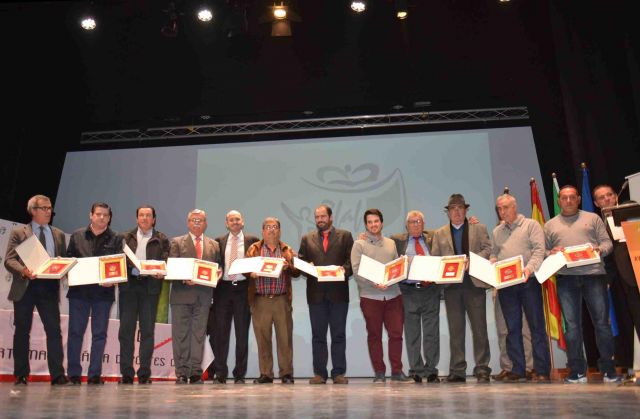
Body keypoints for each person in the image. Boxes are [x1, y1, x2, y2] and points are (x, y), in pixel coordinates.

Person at [544, 185, 619, 383]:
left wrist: (599, 249)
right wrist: (549, 253)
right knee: (572, 326)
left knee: (602, 324)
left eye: (572, 198)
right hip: (566, 279)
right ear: (559, 201)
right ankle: (577, 370)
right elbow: (542, 251)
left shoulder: (592, 218)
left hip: (594, 275)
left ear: (578, 199)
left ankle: (608, 370)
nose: (568, 201)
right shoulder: (550, 225)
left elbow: (608, 244)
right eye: (564, 198)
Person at [4, 194, 69, 385]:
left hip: (48, 288)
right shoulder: (19, 232)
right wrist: (24, 271)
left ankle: (57, 375)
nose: (49, 212)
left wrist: (62, 266)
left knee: (54, 331)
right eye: (44, 208)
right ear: (33, 210)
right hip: (26, 286)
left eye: (50, 209)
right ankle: (21, 374)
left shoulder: (57, 234)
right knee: (22, 330)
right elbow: (9, 259)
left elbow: (62, 259)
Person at [430, 194, 492, 383]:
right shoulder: (439, 233)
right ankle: (457, 370)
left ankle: (482, 369)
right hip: (452, 288)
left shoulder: (478, 228)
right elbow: (435, 258)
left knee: (480, 329)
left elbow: (488, 249)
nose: (456, 212)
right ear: (448, 212)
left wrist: (471, 260)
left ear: (466, 210)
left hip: (474, 284)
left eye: (460, 208)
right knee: (456, 331)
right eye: (453, 208)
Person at [491, 194, 550, 382]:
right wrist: (492, 261)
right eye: (499, 209)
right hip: (507, 285)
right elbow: (495, 253)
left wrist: (529, 269)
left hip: (528, 282)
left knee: (536, 327)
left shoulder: (531, 225)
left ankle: (541, 370)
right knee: (512, 328)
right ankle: (518, 369)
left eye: (506, 207)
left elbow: (539, 251)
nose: (502, 212)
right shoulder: (497, 231)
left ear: (514, 207)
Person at [351, 208, 412, 383]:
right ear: (366, 225)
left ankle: (397, 371)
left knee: (396, 334)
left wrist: (397, 273)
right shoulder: (359, 245)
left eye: (376, 221)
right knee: (374, 335)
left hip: (393, 295)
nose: (373, 225)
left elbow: (395, 267)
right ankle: (379, 372)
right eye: (369, 222)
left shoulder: (391, 243)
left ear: (382, 223)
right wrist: (374, 284)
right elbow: (356, 271)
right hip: (370, 297)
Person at [298, 205, 353, 384]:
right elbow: (301, 263)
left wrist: (341, 271)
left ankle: (338, 373)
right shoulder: (307, 239)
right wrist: (309, 269)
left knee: (338, 335)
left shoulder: (345, 236)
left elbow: (351, 263)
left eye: (323, 216)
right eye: (317, 217)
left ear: (331, 217)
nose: (320, 219)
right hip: (316, 296)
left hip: (339, 295)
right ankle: (320, 374)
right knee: (318, 336)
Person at [66, 202, 120, 385]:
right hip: (78, 293)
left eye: (106, 215)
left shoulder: (116, 238)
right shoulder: (77, 235)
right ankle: (73, 373)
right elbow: (68, 261)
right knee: (75, 332)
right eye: (98, 214)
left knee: (99, 335)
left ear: (110, 217)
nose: (102, 217)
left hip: (102, 294)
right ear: (91, 215)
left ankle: (94, 374)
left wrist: (113, 279)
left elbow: (119, 266)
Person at [118, 205, 170, 384]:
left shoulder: (162, 239)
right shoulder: (125, 238)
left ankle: (144, 373)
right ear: (136, 218)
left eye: (148, 215)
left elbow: (165, 261)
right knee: (126, 331)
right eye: (141, 215)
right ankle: (126, 373)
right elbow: (118, 261)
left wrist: (160, 272)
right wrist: (128, 271)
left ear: (154, 219)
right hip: (128, 289)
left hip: (150, 289)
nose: (145, 218)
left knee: (147, 332)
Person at [169, 209, 221, 384]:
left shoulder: (214, 245)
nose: (197, 223)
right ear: (188, 222)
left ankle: (196, 372)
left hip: (204, 296)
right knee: (180, 335)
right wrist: (185, 278)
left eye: (201, 220)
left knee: (199, 335)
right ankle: (182, 372)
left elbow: (217, 267)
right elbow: (173, 266)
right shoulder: (176, 242)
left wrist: (218, 273)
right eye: (194, 220)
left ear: (206, 223)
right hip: (181, 295)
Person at [390, 210, 440, 383]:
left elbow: (453, 230)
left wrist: (470, 222)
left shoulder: (434, 237)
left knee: (431, 333)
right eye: (412, 222)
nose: (416, 224)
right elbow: (380, 245)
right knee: (412, 333)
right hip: (408, 291)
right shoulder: (397, 240)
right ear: (407, 225)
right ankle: (416, 370)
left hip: (430, 291)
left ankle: (432, 370)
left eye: (419, 221)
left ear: (424, 224)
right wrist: (364, 238)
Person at [247, 217, 299, 384]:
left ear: (280, 230)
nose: (271, 230)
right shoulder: (254, 249)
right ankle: (266, 374)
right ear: (262, 231)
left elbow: (296, 272)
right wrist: (251, 273)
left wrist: (289, 267)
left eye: (275, 227)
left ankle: (286, 374)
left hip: (281, 300)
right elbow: (244, 269)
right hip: (260, 300)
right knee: (263, 339)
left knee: (285, 338)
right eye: (268, 227)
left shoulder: (287, 250)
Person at [212, 210, 259, 384]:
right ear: (226, 223)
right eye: (231, 220)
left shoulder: (252, 241)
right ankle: (220, 373)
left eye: (237, 219)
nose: (235, 222)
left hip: (242, 289)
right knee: (220, 334)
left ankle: (239, 374)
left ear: (243, 222)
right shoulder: (218, 242)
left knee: (241, 334)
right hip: (223, 290)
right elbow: (215, 264)